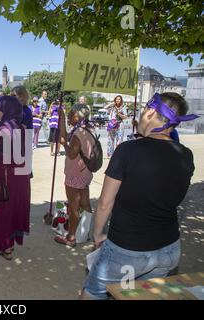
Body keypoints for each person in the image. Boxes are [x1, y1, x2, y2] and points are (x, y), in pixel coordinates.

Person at [81, 92, 197, 300]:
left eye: (144, 109)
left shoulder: (127, 150)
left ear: (151, 112)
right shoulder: (185, 154)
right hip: (169, 248)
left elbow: (105, 203)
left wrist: (97, 235)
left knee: (92, 294)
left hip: (128, 248)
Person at [0, 95, 31, 260]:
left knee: (2, 212)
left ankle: (6, 248)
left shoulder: (1, 129)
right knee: (15, 210)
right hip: (21, 177)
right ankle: (10, 243)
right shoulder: (24, 128)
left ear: (5, 110)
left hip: (3, 177)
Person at [54, 104, 94, 247]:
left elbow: (71, 154)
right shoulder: (88, 129)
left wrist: (65, 145)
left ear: (78, 116)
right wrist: (63, 118)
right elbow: (65, 136)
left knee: (73, 206)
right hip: (85, 172)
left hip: (75, 173)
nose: (70, 116)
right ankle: (84, 233)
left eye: (71, 114)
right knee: (85, 203)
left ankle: (71, 237)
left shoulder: (78, 134)